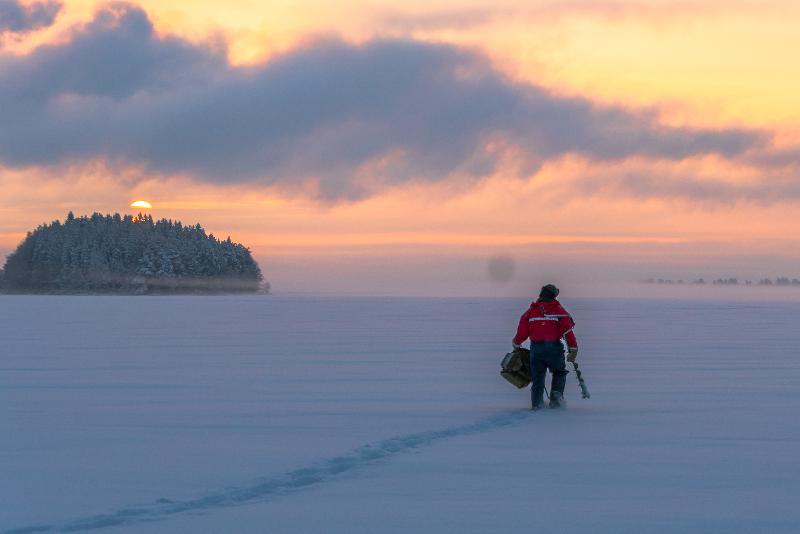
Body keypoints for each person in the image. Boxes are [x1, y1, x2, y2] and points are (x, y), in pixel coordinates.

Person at [512, 284, 578, 410]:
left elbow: (522, 333)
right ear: (554, 296)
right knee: (559, 372)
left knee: (538, 378)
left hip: (536, 349)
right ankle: (556, 402)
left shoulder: (530, 312)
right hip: (554, 348)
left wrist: (516, 343)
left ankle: (537, 405)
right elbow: (567, 331)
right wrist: (573, 349)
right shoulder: (559, 311)